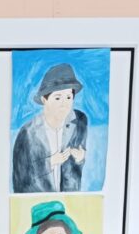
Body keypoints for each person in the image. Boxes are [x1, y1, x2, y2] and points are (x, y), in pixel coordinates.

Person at [12, 63, 87, 194]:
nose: (64, 104)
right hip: (38, 201)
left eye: (69, 97)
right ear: (44, 99)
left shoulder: (79, 121)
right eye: (58, 98)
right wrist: (50, 162)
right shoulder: (27, 133)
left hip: (69, 201)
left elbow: (75, 169)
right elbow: (21, 178)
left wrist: (80, 157)